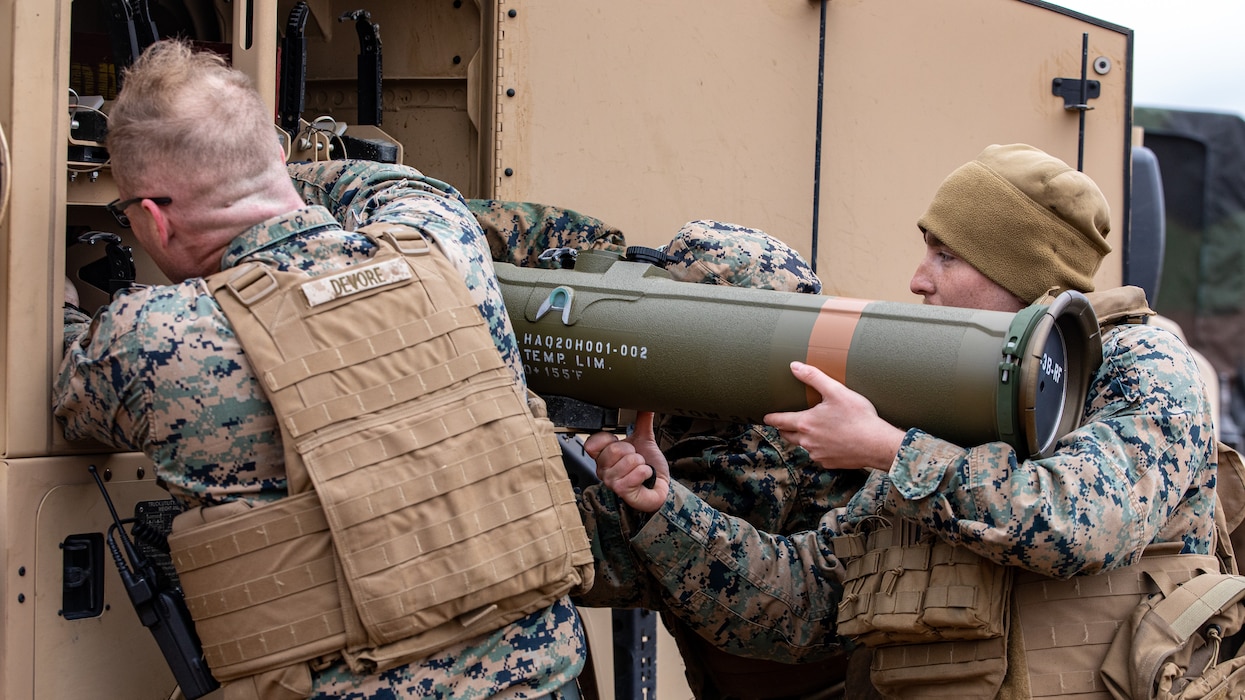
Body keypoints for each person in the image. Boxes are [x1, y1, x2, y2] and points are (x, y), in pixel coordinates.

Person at [55, 39, 590, 699]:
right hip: (543, 680)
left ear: (154, 221)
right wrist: (263, 171)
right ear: (279, 157)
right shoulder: (442, 242)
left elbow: (56, 369)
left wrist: (60, 299)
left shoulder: (155, 337)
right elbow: (402, 186)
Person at [585, 144, 1219, 697]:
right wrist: (663, 510)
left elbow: (1085, 521)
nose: (918, 280)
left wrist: (890, 450)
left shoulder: (1140, 365)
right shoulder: (948, 402)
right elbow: (804, 605)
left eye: (946, 257)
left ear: (1017, 273)